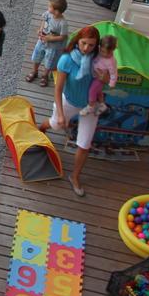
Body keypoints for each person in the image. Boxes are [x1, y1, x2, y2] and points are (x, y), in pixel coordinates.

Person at [40, 25, 102, 198]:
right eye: (83, 43)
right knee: (55, 124)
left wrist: (106, 79)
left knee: (84, 144)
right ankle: (41, 129)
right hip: (69, 101)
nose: (86, 48)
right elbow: (58, 89)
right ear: (77, 41)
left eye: (91, 45)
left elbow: (108, 81)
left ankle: (74, 176)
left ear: (96, 45)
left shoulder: (100, 59)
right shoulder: (66, 60)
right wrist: (60, 113)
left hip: (91, 106)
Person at [25, 0, 69, 87]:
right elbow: (44, 22)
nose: (48, 8)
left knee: (49, 61)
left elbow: (63, 37)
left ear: (56, 11)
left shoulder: (62, 23)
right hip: (42, 41)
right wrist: (40, 30)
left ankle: (45, 75)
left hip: (53, 47)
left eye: (50, 7)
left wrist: (51, 38)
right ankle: (35, 71)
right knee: (37, 56)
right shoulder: (48, 14)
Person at [83, 34, 118, 117]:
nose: (104, 54)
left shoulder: (111, 62)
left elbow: (114, 73)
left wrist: (112, 84)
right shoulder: (98, 51)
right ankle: (102, 105)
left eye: (107, 53)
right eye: (102, 51)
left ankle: (90, 106)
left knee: (92, 91)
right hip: (94, 74)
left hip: (99, 78)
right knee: (98, 92)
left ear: (112, 50)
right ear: (99, 47)